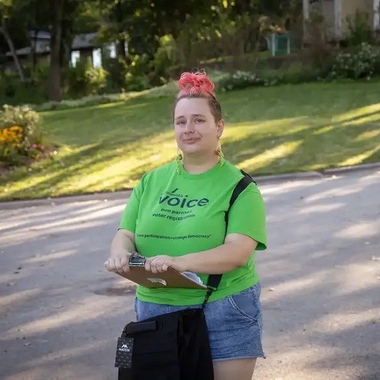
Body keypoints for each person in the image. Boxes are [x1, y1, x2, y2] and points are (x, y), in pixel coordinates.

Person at [105, 69, 268, 380]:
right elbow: (124, 233)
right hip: (154, 308)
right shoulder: (151, 181)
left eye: (199, 120)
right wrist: (121, 254)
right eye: (181, 122)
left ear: (219, 127)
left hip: (224, 309)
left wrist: (179, 262)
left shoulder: (241, 187)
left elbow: (237, 253)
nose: (188, 129)